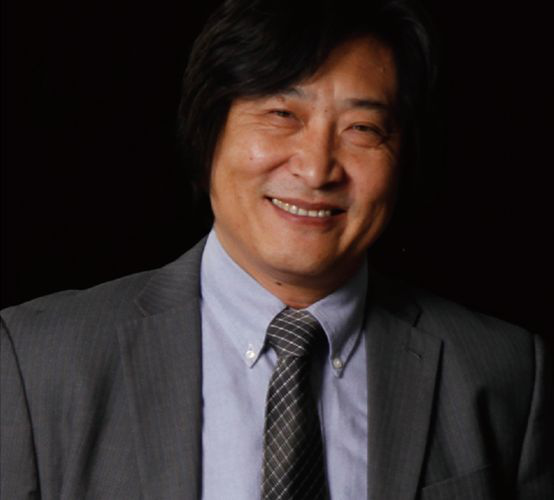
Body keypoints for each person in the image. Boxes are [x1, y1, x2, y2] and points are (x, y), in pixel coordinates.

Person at [1, 0, 552, 498]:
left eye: (363, 128)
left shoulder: (505, 374)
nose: (317, 169)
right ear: (208, 130)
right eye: (282, 115)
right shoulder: (34, 362)